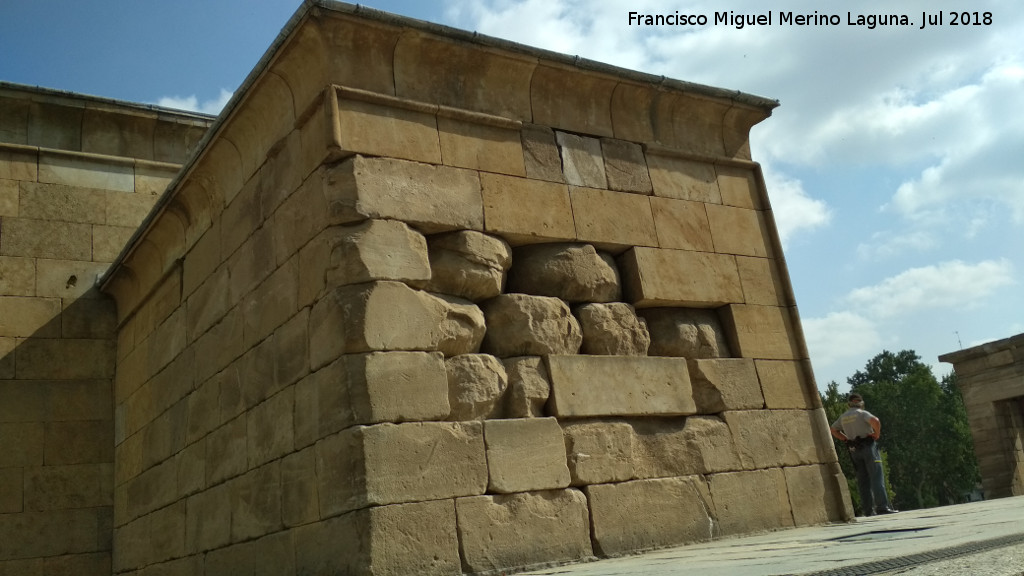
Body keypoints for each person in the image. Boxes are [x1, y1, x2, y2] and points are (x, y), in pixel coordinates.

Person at [830, 393, 897, 516]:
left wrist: (845, 439)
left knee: (862, 481)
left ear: (849, 403)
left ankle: (868, 510)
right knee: (876, 477)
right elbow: (875, 421)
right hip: (868, 447)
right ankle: (882, 507)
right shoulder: (862, 413)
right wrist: (877, 434)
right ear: (861, 403)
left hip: (854, 450)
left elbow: (833, 430)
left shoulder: (843, 417)